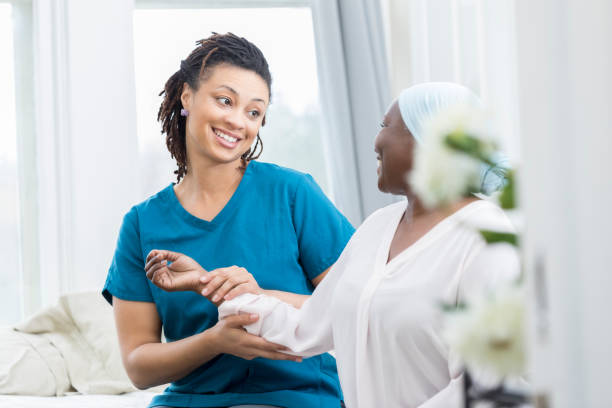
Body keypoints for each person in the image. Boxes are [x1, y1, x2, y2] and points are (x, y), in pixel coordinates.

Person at [146, 82, 520, 407]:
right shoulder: (378, 228)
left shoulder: (487, 240)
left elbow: (490, 387)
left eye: (386, 126)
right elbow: (304, 328)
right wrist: (207, 283)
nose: (376, 142)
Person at [103, 33, 354, 408]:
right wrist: (215, 340)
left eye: (254, 112)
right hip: (192, 401)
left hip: (299, 398)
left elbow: (358, 308)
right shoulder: (142, 224)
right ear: (187, 96)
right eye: (225, 101)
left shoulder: (292, 194)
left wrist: (258, 298)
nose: (238, 122)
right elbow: (139, 366)